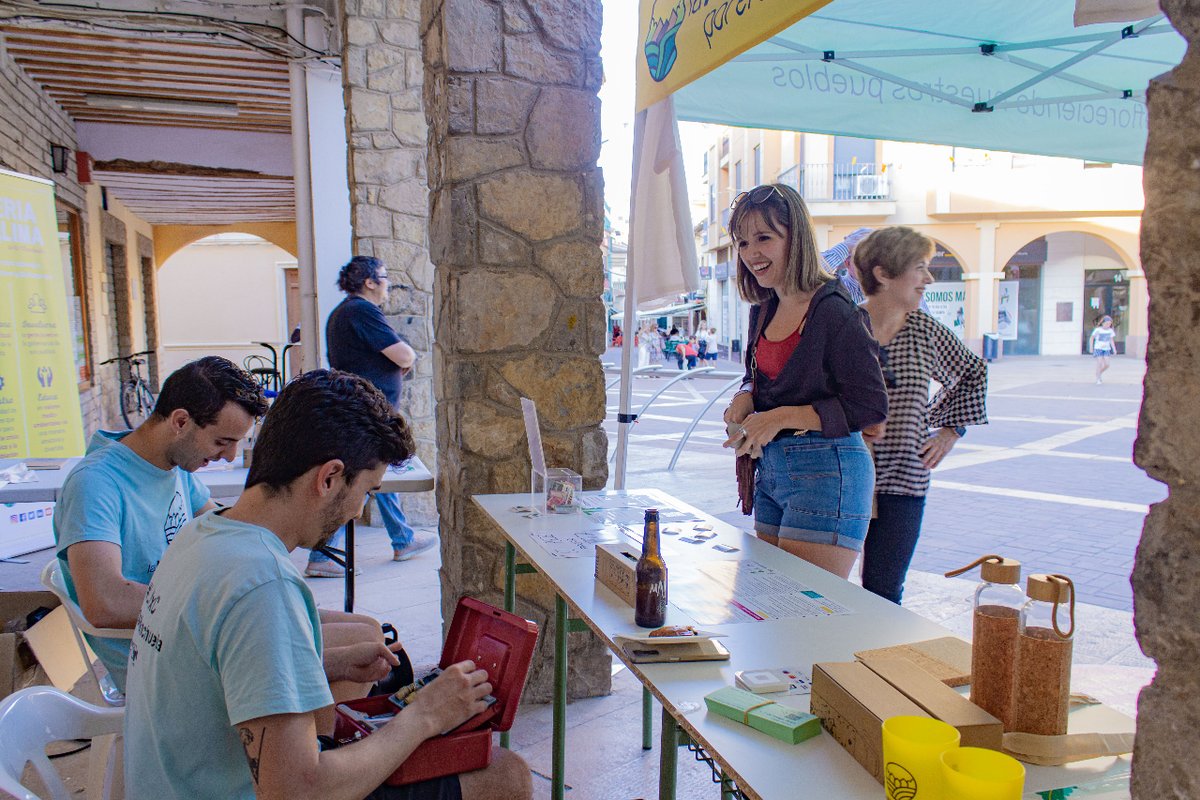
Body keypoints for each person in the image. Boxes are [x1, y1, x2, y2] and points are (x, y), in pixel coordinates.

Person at [123, 370, 532, 800]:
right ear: (330, 477)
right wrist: (426, 716)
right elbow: (297, 792)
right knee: (505, 775)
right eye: (367, 491)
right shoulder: (264, 584)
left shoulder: (202, 535)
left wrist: (325, 665)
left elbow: (219, 673)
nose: (357, 511)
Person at [52, 356, 269, 692]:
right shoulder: (95, 483)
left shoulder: (174, 466)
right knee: (334, 653)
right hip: (152, 661)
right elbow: (105, 602)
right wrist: (219, 605)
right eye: (222, 441)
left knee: (357, 633)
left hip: (187, 639)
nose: (229, 456)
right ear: (180, 421)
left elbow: (226, 531)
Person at [721, 184, 889, 578]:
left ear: (795, 237)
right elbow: (756, 376)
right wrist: (746, 396)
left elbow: (870, 406)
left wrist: (779, 418)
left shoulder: (834, 310)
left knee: (801, 617)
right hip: (772, 472)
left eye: (764, 238)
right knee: (767, 605)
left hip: (828, 471)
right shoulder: (763, 309)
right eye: (743, 243)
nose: (751, 254)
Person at [857, 227, 988, 604]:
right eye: (920, 268)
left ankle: (875, 662)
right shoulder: (846, 325)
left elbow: (972, 373)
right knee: (820, 588)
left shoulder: (926, 331)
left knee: (883, 593)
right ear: (883, 274)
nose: (929, 278)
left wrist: (949, 430)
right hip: (843, 478)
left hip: (904, 481)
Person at [308, 255, 435, 576]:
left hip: (362, 410)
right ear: (370, 282)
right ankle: (322, 556)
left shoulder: (346, 312)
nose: (389, 285)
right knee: (355, 481)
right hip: (365, 414)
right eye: (385, 278)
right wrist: (405, 359)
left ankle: (402, 538)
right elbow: (404, 354)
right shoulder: (360, 310)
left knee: (374, 476)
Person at [1089, 315, 1116, 384]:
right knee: (1099, 362)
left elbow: (1111, 340)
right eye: (1106, 323)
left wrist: (1114, 349)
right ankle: (1098, 378)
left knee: (1107, 364)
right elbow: (1092, 338)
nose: (1108, 325)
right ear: (1103, 323)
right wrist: (1091, 347)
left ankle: (1099, 373)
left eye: (1109, 324)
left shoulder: (1110, 331)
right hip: (1098, 348)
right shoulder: (1098, 330)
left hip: (1106, 349)